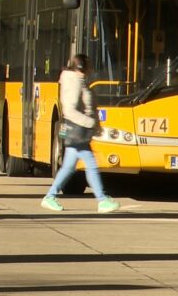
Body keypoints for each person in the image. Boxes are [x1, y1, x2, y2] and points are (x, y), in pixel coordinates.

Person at [41, 54, 120, 213]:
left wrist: (94, 123)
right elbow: (70, 109)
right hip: (78, 132)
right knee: (91, 166)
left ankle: (50, 197)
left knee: (69, 167)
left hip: (80, 132)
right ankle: (102, 200)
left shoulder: (79, 81)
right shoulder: (74, 82)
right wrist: (90, 122)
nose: (92, 67)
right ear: (82, 67)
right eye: (89, 64)